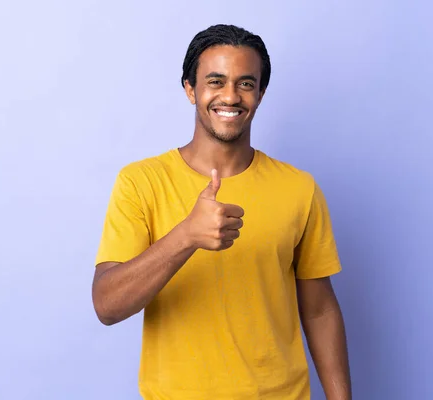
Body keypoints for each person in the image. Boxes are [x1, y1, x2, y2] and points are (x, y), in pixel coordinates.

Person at [92, 24, 351, 400]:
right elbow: (107, 305)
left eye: (246, 84)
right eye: (216, 81)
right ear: (190, 89)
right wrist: (187, 236)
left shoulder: (299, 188)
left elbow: (320, 310)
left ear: (260, 94)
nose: (230, 96)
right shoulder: (140, 182)